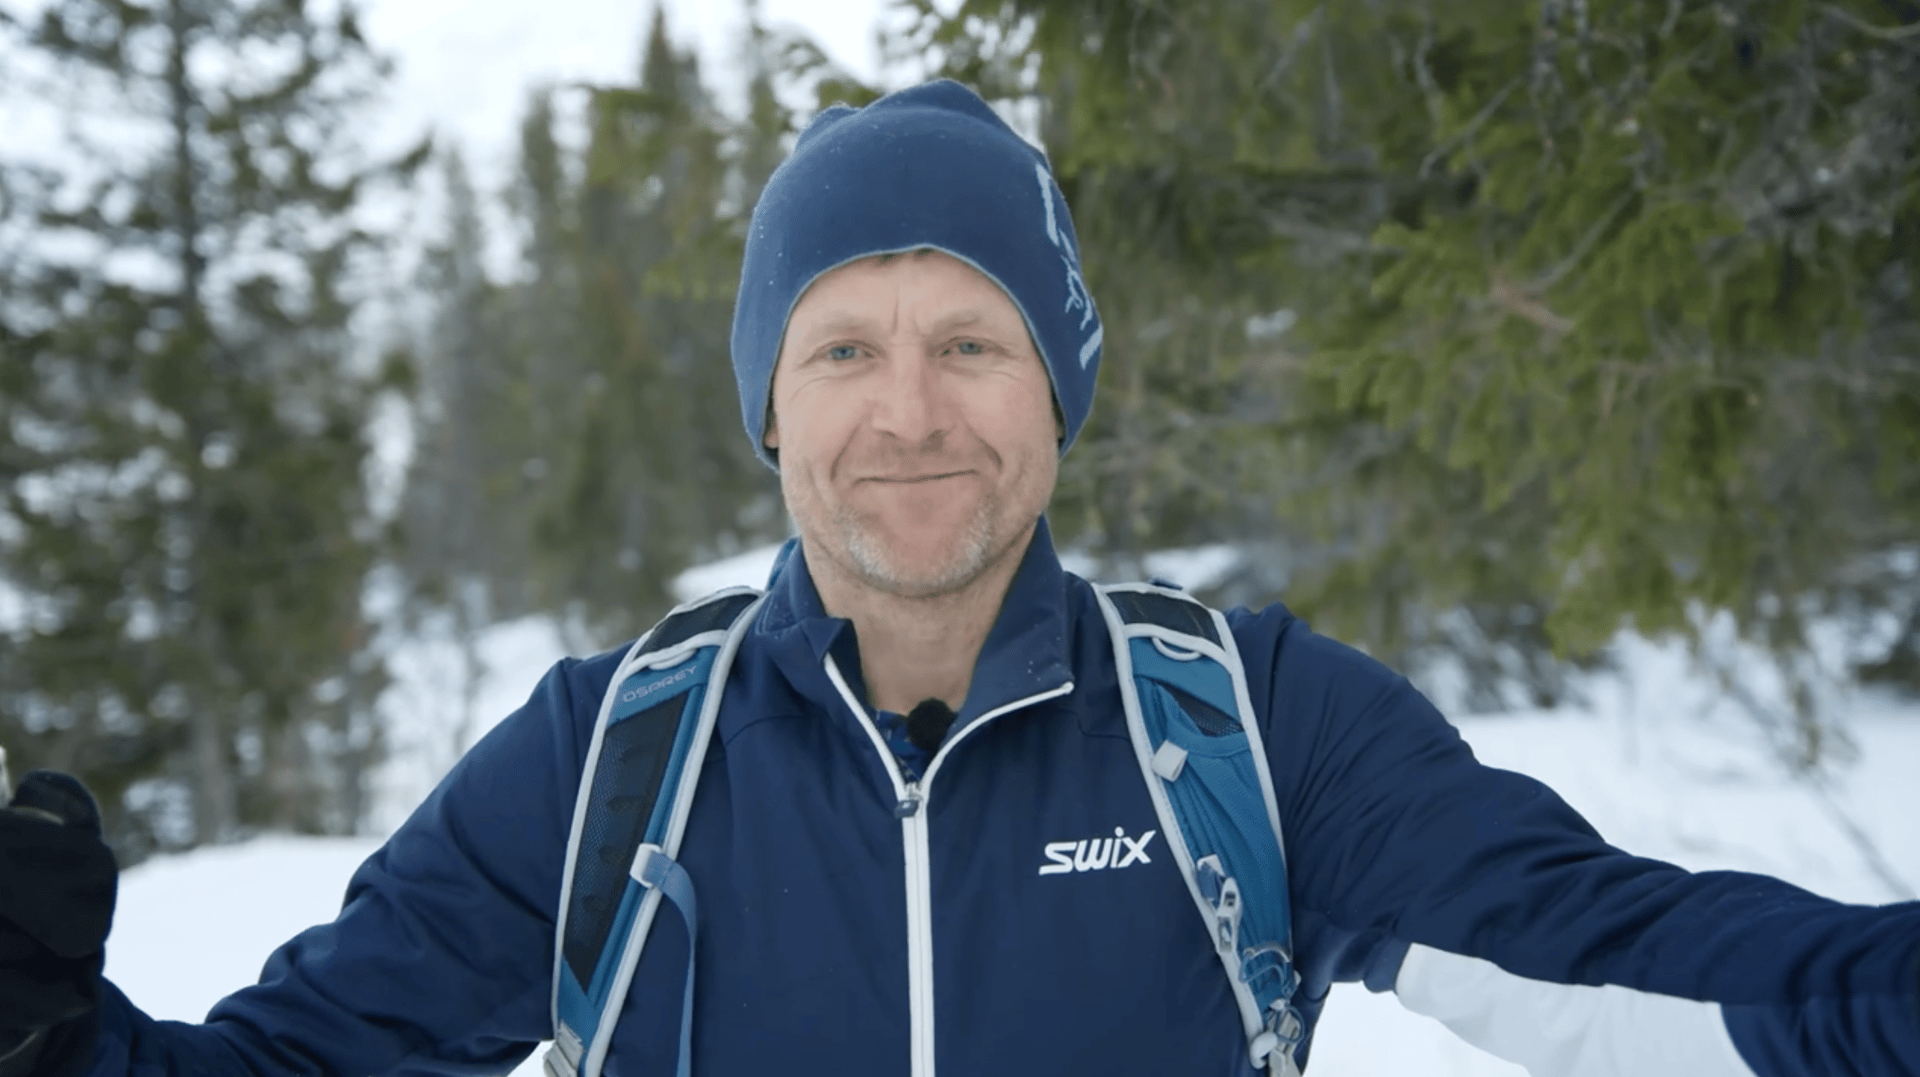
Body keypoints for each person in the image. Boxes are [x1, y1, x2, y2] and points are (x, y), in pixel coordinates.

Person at [2, 78, 1916, 1077]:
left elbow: (1642, 972)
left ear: (1062, 390)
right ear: (772, 406)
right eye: (845, 349)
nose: (910, 413)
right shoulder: (614, 760)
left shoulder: (1248, 726)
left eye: (973, 342)